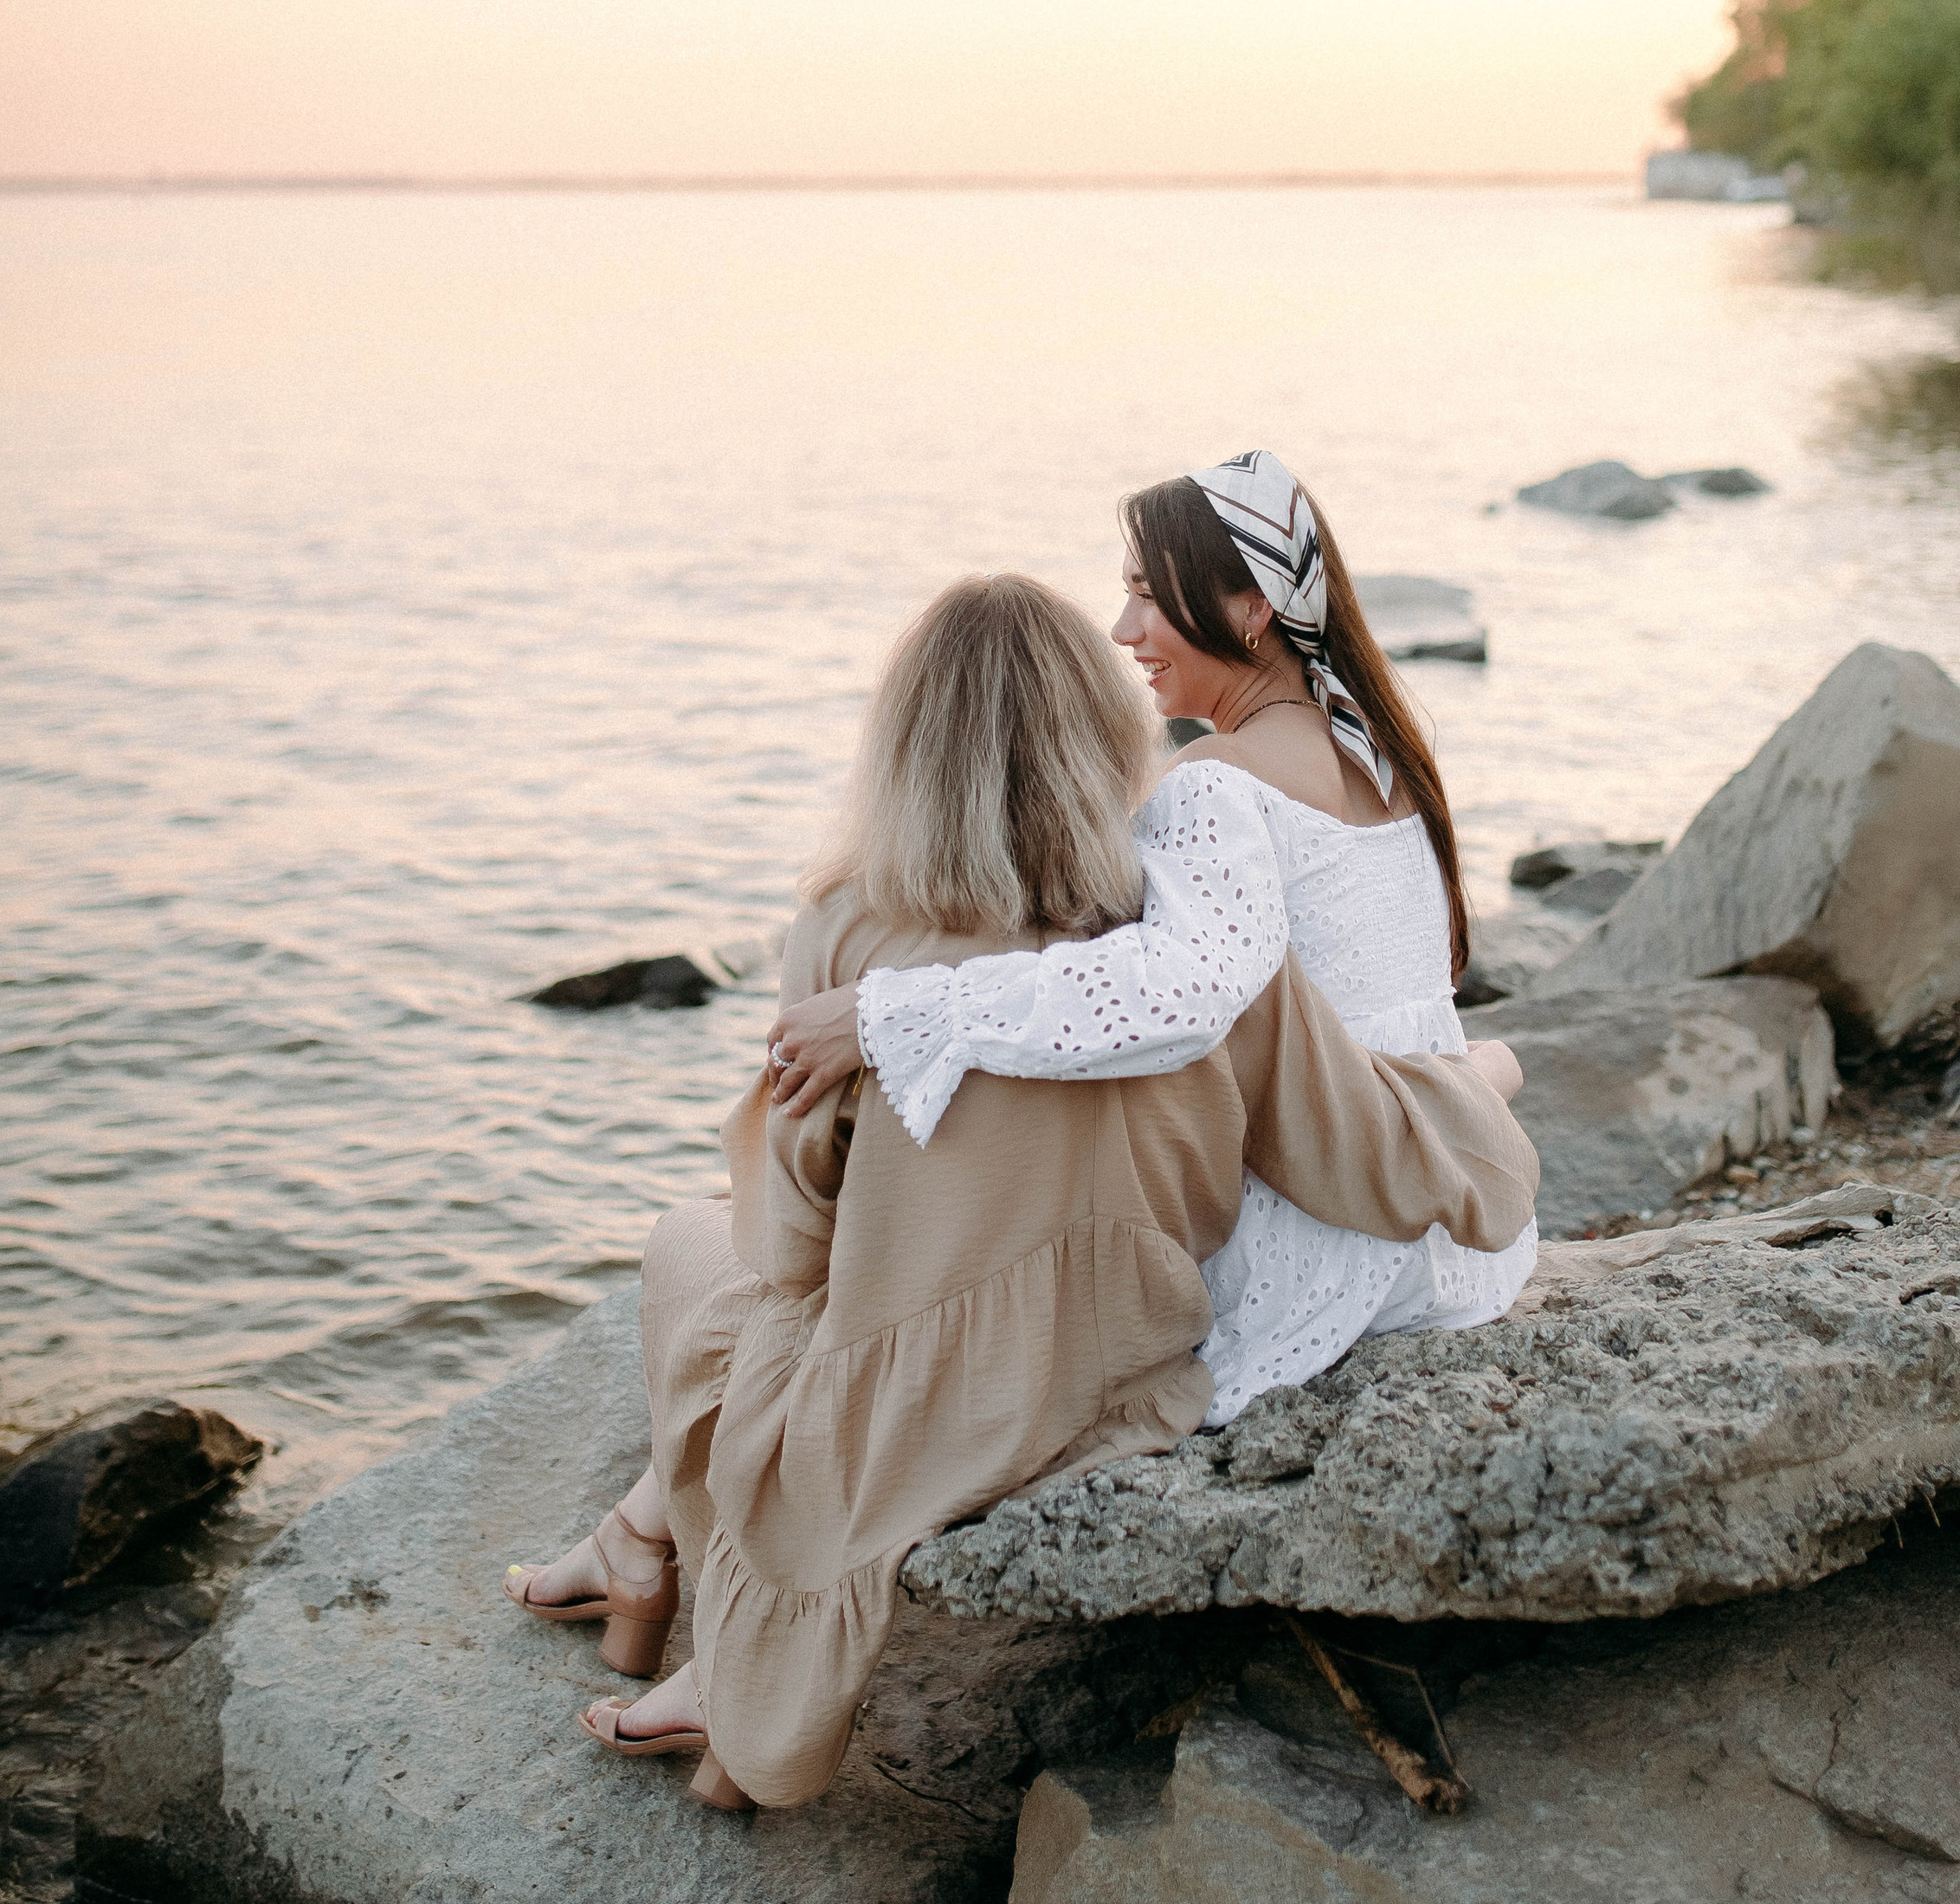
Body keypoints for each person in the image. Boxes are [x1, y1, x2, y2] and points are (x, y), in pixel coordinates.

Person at [503, 571, 1536, 1813]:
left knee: (703, 1263)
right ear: (1106, 734)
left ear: (902, 749)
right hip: (1130, 1364)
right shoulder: (1195, 940)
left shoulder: (849, 932)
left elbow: (794, 1234)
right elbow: (1353, 1143)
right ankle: (636, 1559)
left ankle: (652, 1582)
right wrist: (1482, 1080)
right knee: (757, 1304)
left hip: (932, 1391)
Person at [766, 450, 1537, 1425]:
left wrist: (889, 1014)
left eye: (1147, 596)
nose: (1124, 629)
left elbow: (1174, 994)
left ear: (1251, 608)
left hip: (1326, 1249)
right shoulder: (1380, 753)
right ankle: (1488, 1075)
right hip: (1457, 1245)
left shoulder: (1216, 781)